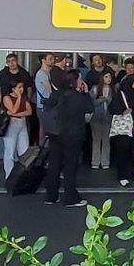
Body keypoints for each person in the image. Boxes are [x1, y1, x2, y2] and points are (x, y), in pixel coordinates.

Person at [41, 70, 93, 206]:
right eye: (79, 79)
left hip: (55, 134)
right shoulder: (76, 96)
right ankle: (70, 197)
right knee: (70, 166)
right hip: (73, 135)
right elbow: (89, 108)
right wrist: (86, 92)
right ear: (74, 81)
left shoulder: (56, 94)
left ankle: (51, 196)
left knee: (54, 165)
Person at [109, 74, 134, 187]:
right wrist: (122, 111)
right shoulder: (120, 95)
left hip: (133, 127)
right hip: (122, 129)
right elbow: (111, 108)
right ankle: (122, 176)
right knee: (122, 152)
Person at [0, 80, 33, 178]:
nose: (21, 89)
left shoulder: (24, 97)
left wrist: (17, 114)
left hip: (22, 123)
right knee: (10, 150)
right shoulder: (7, 98)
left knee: (24, 150)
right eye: (19, 87)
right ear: (13, 89)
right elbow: (13, 109)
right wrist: (18, 97)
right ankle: (9, 174)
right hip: (11, 124)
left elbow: (29, 111)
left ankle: (23, 174)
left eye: (22, 87)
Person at [89, 71, 114, 170]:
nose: (109, 79)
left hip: (107, 116)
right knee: (96, 140)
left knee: (106, 140)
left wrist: (109, 100)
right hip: (96, 116)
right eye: (106, 77)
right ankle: (95, 161)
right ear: (102, 78)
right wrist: (101, 100)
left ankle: (105, 161)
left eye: (110, 77)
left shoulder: (112, 89)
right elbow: (90, 102)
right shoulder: (95, 88)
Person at [34, 52, 57, 139]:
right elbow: (50, 89)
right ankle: (43, 145)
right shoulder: (42, 74)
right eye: (50, 59)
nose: (53, 61)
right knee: (44, 128)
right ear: (43, 60)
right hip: (44, 106)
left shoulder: (48, 73)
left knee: (45, 128)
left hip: (47, 104)